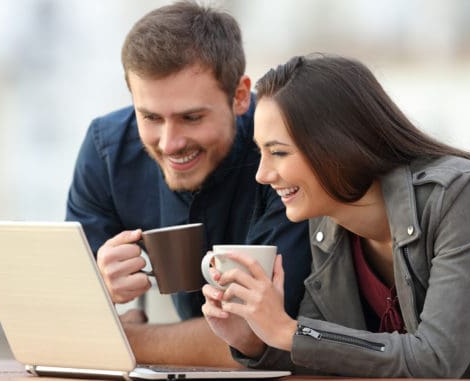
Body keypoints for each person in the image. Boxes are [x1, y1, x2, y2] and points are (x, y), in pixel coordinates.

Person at [201, 54, 470, 378]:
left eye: (278, 152)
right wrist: (253, 340)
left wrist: (287, 330)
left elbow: (435, 360)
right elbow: (328, 353)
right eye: (260, 153)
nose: (262, 175)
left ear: (337, 146)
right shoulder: (327, 223)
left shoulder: (460, 193)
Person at [65, 2, 311, 367]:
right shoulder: (107, 149)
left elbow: (256, 338)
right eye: (149, 117)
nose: (169, 143)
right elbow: (64, 322)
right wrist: (99, 288)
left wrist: (122, 340)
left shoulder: (286, 153)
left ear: (240, 96)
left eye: (191, 117)